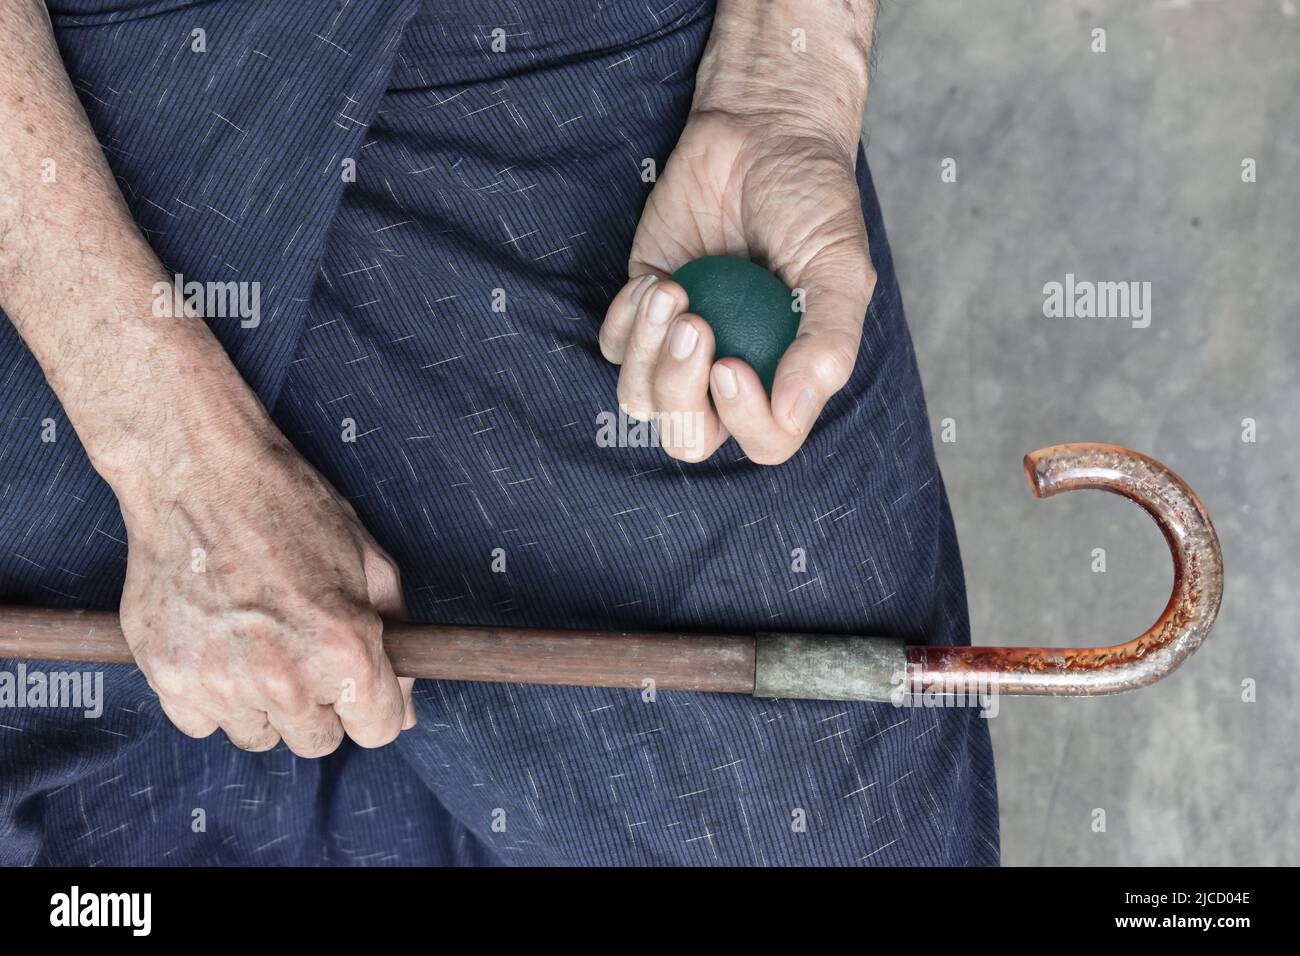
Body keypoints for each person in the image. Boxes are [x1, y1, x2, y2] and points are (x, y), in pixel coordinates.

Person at [0, 0, 997, 865]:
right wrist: (173, 452)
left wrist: (786, 79)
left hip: (546, 50)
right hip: (64, 103)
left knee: (841, 835)